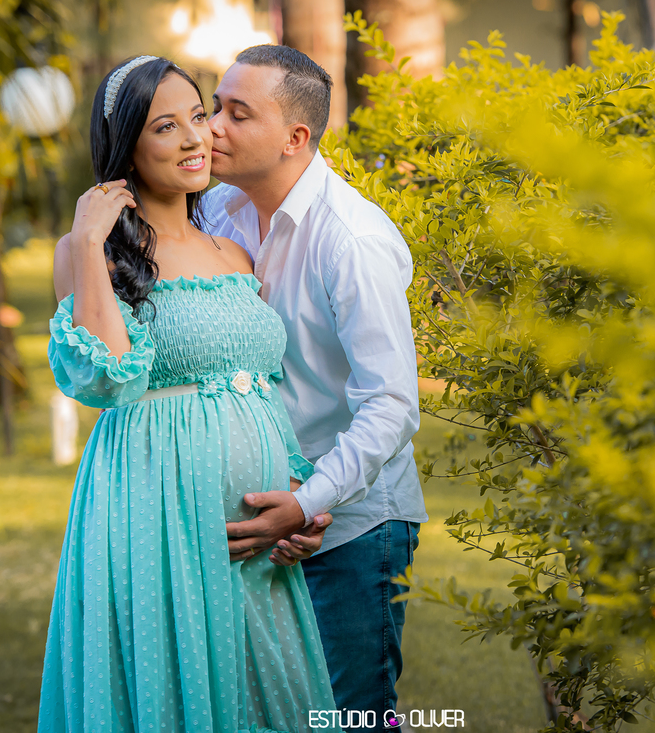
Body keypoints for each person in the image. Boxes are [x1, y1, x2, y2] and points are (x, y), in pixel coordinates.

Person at [38, 55, 337, 733]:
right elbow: (108, 378)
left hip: (258, 536)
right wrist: (87, 240)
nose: (195, 137)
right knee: (174, 691)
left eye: (198, 116)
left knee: (272, 697)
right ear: (127, 149)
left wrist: (300, 496)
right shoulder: (91, 255)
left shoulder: (233, 253)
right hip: (154, 509)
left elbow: (264, 389)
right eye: (165, 126)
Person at [202, 45, 428, 724]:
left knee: (349, 716)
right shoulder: (216, 212)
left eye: (238, 114)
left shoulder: (351, 240)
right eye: (216, 106)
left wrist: (307, 504)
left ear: (295, 137)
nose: (212, 126)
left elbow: (392, 405)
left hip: (353, 528)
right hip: (258, 521)